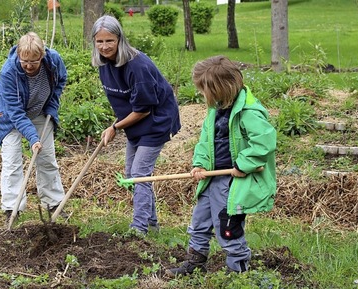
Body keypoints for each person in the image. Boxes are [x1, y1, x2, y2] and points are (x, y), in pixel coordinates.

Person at [165, 56, 277, 276]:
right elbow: (206, 141)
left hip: (232, 181)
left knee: (228, 227)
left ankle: (238, 271)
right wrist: (199, 164)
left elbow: (264, 142)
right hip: (211, 178)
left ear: (219, 89)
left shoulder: (248, 112)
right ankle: (195, 263)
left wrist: (244, 164)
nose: (201, 94)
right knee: (199, 222)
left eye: (203, 90)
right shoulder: (215, 110)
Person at [91, 15, 181, 235]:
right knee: (132, 174)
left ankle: (138, 229)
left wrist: (115, 127)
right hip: (135, 123)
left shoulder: (136, 66)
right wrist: (117, 124)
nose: (104, 46)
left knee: (141, 174)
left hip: (157, 121)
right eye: (99, 41)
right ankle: (152, 225)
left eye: (109, 41)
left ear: (120, 39)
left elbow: (143, 109)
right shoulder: (105, 65)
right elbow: (126, 103)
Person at [0, 32, 67, 222]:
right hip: (9, 116)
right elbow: (15, 112)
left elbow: (61, 80)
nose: (29, 67)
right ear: (18, 56)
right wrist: (33, 138)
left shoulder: (53, 60)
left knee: (47, 157)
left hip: (39, 110)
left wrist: (52, 104)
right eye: (25, 62)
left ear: (42, 56)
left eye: (34, 62)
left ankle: (53, 202)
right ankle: (11, 208)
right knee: (12, 160)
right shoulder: (9, 72)